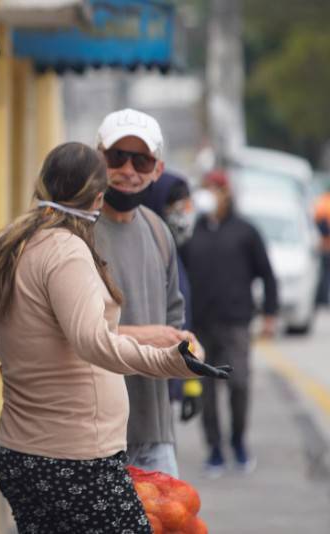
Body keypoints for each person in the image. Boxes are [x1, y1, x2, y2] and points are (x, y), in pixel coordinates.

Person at [0, 142, 228, 534]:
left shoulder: (11, 244)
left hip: (23, 450)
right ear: (98, 197)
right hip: (74, 459)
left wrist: (150, 338)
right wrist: (171, 361)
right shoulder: (66, 250)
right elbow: (93, 343)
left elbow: (53, 334)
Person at [93, 109, 191, 477]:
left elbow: (174, 321)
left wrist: (189, 352)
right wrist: (148, 338)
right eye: (117, 157)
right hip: (92, 438)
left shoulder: (158, 232)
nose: (129, 170)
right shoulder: (73, 231)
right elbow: (64, 335)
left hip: (155, 435)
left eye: (142, 160)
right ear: (97, 158)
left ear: (157, 170)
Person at [185, 169, 278, 476]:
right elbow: (177, 280)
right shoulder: (190, 234)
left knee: (239, 384)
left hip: (236, 322)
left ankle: (238, 441)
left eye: (215, 189)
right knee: (206, 390)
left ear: (227, 193)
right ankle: (214, 449)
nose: (209, 194)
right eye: (205, 188)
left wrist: (270, 313)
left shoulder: (245, 231)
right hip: (200, 325)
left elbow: (266, 273)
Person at [142, 171, 203, 422]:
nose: (183, 215)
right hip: (144, 385)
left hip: (167, 384)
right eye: (176, 207)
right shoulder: (146, 254)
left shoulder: (175, 253)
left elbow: (183, 321)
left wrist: (191, 385)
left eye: (187, 206)